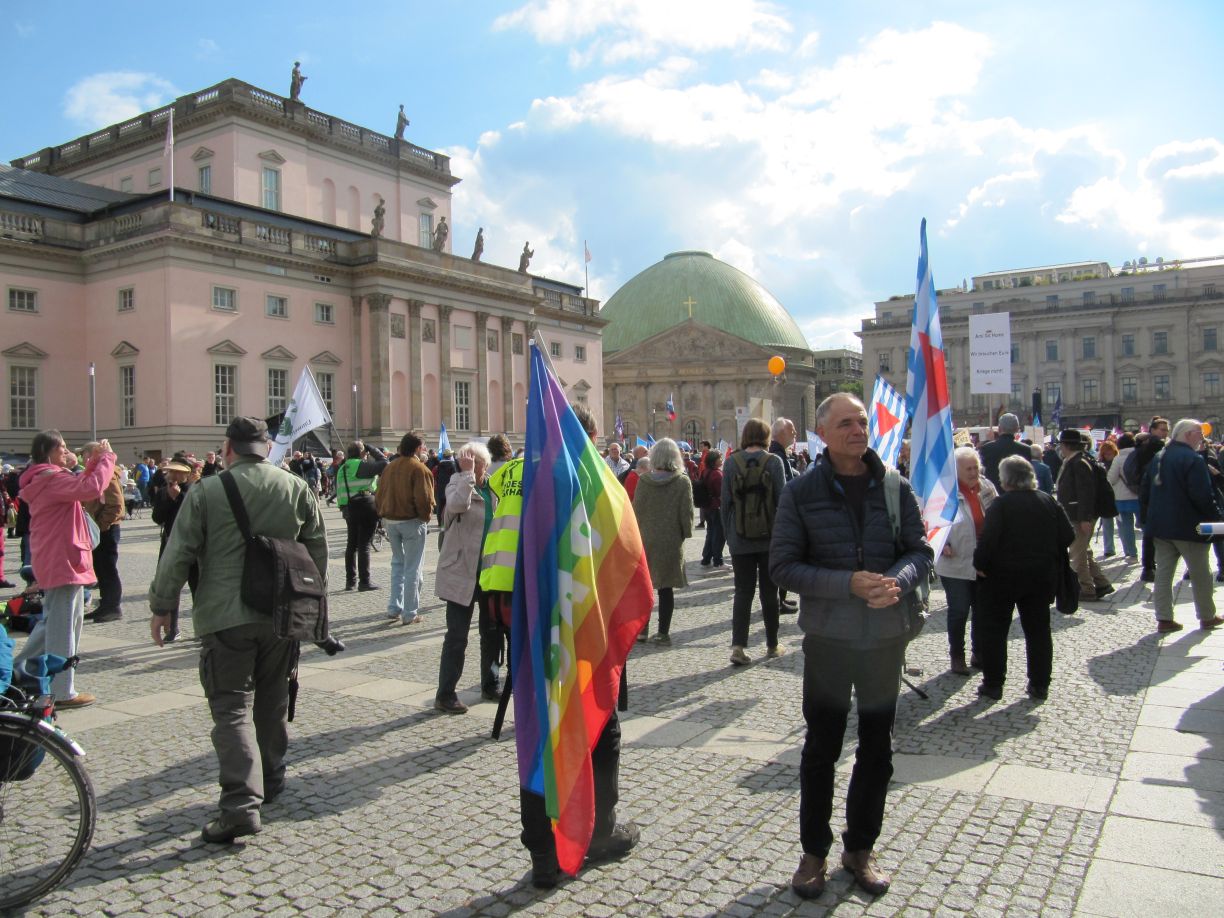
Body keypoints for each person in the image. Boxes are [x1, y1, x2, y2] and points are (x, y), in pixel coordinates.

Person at [770, 393, 933, 899]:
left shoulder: (893, 485)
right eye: (845, 423)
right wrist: (848, 584)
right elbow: (783, 566)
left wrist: (899, 582)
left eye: (862, 421)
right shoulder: (800, 492)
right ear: (823, 432)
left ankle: (860, 848)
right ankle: (813, 853)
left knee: (877, 749)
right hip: (829, 641)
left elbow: (919, 550)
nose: (857, 429)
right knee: (821, 749)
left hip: (885, 640)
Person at [149, 417, 328, 844]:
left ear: (228, 449)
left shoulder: (206, 490)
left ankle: (240, 805)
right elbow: (316, 550)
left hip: (224, 613)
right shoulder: (295, 487)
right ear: (266, 448)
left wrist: (162, 605)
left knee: (230, 709)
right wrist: (306, 600)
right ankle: (273, 777)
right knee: (273, 698)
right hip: (280, 614)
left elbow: (180, 551)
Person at [520, 402, 639, 889]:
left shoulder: (517, 476)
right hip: (588, 626)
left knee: (539, 731)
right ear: (587, 435)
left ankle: (543, 852)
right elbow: (628, 554)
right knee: (598, 725)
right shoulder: (595, 480)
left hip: (532, 623)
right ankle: (600, 831)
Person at [13, 431, 116, 708]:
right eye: (63, 448)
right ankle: (61, 689)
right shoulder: (50, 478)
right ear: (49, 452)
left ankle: (18, 671)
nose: (67, 452)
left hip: (63, 557)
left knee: (60, 622)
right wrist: (106, 458)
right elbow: (91, 489)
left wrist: (93, 463)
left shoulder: (47, 477)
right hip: (63, 559)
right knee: (62, 627)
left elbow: (82, 482)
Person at [973, 455, 1075, 701]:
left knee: (995, 631)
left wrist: (980, 564)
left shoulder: (1001, 505)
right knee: (1039, 631)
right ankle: (1040, 685)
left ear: (1005, 479)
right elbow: (1068, 535)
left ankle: (994, 684)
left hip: (1002, 578)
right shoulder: (1047, 500)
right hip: (1040, 577)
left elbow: (988, 540)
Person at [434, 442, 501, 713]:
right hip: (460, 570)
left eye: (477, 463)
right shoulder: (456, 484)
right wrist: (465, 475)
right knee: (457, 636)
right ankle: (445, 693)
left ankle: (490, 683)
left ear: (486, 464)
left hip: (488, 571)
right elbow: (457, 505)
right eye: (468, 462)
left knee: (492, 633)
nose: (474, 466)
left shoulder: (493, 489)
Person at [1140, 419, 1224, 633]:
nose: (1202, 439)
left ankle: (1164, 618)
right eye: (1199, 434)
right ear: (1188, 435)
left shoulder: (1160, 457)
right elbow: (1203, 496)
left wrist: (1147, 520)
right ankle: (1206, 616)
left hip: (1160, 526)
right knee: (1201, 573)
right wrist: (1217, 521)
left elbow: (1145, 492)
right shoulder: (1192, 459)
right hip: (1189, 527)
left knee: (1164, 574)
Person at [722, 418, 786, 666]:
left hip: (740, 538)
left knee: (742, 591)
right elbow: (783, 502)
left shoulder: (731, 463)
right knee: (769, 592)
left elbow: (725, 504)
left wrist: (730, 537)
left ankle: (738, 645)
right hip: (770, 539)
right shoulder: (774, 462)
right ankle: (772, 644)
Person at [936, 447, 997, 675]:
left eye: (975, 467)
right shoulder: (945, 492)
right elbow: (932, 524)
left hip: (983, 560)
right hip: (955, 562)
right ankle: (957, 655)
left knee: (981, 610)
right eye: (968, 469)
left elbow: (997, 514)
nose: (973, 472)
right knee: (959, 610)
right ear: (957, 470)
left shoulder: (987, 487)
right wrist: (943, 544)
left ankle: (978, 652)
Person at [632, 438, 693, 644]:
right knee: (665, 588)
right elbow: (687, 514)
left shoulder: (643, 480)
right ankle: (663, 633)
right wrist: (684, 533)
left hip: (645, 539)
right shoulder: (682, 481)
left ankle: (642, 631)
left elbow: (636, 511)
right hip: (670, 540)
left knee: (645, 587)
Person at [376, 432, 434, 626]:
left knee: (397, 564)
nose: (424, 449)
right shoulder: (419, 469)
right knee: (412, 567)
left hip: (390, 519)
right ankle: (409, 612)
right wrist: (425, 518)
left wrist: (383, 514)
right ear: (417, 448)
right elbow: (424, 500)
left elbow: (379, 493)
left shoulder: (390, 467)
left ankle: (394, 607)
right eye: (423, 446)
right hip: (411, 521)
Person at [1055, 429, 1112, 601]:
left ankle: (1086, 589)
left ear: (1065, 445)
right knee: (1084, 551)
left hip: (1079, 515)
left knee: (1077, 554)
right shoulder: (1074, 460)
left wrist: (1085, 518)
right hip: (1076, 514)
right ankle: (1101, 583)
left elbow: (1086, 492)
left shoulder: (1079, 463)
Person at [80, 441, 126, 623]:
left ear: (93, 455)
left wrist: (100, 526)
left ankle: (112, 606)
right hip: (100, 529)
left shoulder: (109, 476)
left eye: (84, 454)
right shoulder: (96, 474)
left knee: (108, 569)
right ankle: (105, 604)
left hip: (106, 529)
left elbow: (116, 506)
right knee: (101, 568)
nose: (81, 458)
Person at [335, 440, 389, 591]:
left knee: (351, 544)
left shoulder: (342, 467)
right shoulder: (359, 465)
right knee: (364, 544)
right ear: (362, 453)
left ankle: (350, 581)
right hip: (364, 505)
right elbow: (385, 463)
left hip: (348, 507)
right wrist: (372, 449)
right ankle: (364, 581)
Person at [770, 417, 800, 613]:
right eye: (792, 430)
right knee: (780, 560)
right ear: (781, 433)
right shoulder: (777, 456)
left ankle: (780, 599)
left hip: (781, 516)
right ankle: (776, 602)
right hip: (779, 517)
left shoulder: (780, 454)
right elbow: (781, 489)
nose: (795, 434)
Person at [1136, 418, 1170, 581]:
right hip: (1154, 493)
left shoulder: (1142, 445)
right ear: (1153, 430)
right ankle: (1152, 567)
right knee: (1155, 534)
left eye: (1166, 430)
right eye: (1162, 429)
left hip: (1145, 493)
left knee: (1148, 534)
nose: (1165, 433)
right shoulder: (1156, 446)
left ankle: (1148, 567)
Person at [1106, 434, 1140, 563]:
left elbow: (1111, 479)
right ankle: (1152, 554)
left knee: (1126, 526)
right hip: (1139, 496)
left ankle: (1132, 554)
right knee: (1145, 525)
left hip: (1121, 497)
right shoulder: (1139, 456)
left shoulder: (1118, 459)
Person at [979, 413, 1031, 490]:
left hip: (994, 494)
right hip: (1019, 495)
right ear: (1017, 429)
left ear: (999, 429)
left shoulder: (987, 448)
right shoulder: (1026, 449)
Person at [699, 449, 726, 568]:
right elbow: (721, 492)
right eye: (720, 458)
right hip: (716, 506)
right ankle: (718, 560)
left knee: (710, 532)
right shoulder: (717, 474)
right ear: (714, 461)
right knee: (718, 534)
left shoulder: (705, 471)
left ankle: (706, 558)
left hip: (707, 506)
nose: (721, 460)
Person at [1097, 439, 1120, 558]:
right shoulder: (1100, 464)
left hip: (1119, 494)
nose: (1108, 456)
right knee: (1107, 523)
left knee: (1121, 523)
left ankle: (1126, 548)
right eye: (1105, 454)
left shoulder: (1118, 461)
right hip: (1106, 497)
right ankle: (1109, 548)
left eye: (1110, 453)